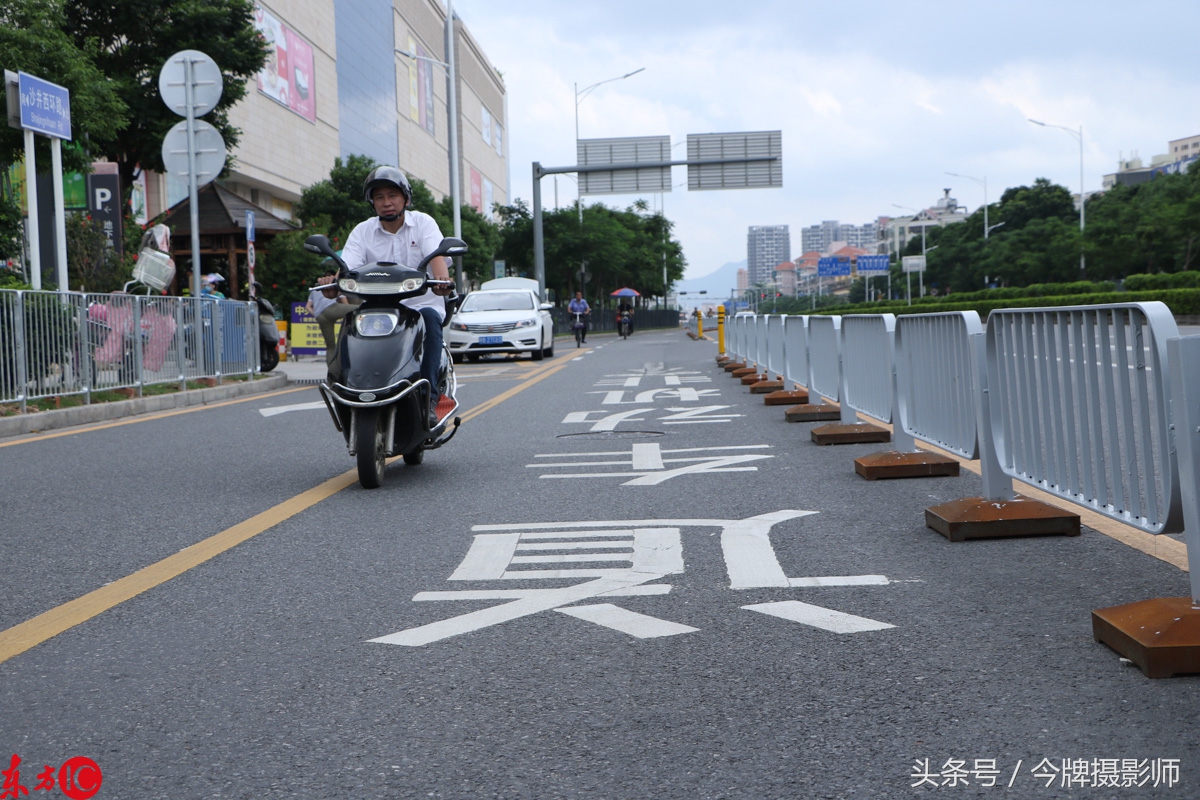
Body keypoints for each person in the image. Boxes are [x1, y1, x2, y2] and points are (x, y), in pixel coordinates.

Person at [340, 166, 454, 428]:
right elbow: (347, 266)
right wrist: (333, 282)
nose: (386, 202)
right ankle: (348, 388)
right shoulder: (362, 231)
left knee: (430, 320)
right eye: (379, 197)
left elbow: (436, 256)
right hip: (376, 309)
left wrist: (442, 282)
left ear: (406, 198)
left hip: (420, 305)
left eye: (392, 195)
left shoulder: (423, 223)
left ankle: (429, 399)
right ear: (372, 202)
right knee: (350, 322)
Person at [305, 263, 358, 364]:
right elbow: (345, 303)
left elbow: (308, 306)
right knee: (359, 309)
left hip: (320, 316)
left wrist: (316, 315)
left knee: (330, 347)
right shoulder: (335, 285)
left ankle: (331, 370)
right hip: (331, 308)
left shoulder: (316, 289)